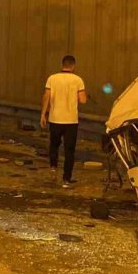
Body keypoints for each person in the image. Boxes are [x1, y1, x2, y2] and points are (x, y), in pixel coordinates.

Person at [40, 55, 87, 188]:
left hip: (54, 119)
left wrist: (43, 114)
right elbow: (83, 100)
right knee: (69, 150)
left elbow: (46, 97)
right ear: (73, 66)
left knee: (54, 144)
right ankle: (66, 179)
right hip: (71, 121)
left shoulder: (52, 78)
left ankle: (53, 166)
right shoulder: (78, 80)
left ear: (63, 64)